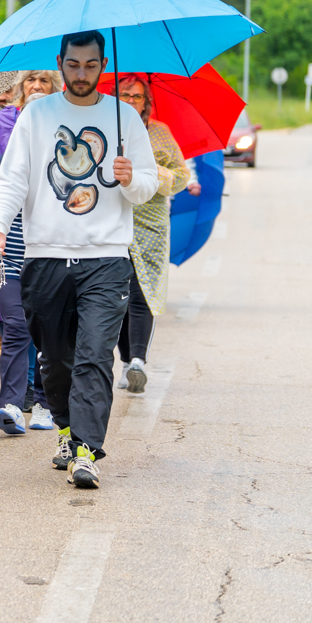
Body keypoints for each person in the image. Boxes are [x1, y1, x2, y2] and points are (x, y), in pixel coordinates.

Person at [0, 30, 159, 489]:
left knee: (94, 357)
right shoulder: (37, 114)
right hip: (45, 257)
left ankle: (86, 451)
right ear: (60, 62)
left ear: (104, 65)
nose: (82, 73)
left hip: (107, 258)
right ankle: (66, 430)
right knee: (56, 359)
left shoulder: (124, 118)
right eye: (74, 64)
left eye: (91, 65)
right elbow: (13, 177)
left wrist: (129, 178)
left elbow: (147, 186)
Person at [0, 71, 61, 434]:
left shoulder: (66, 160)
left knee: (47, 333)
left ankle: (43, 404)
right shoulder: (9, 158)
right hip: (10, 257)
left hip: (51, 258)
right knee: (15, 327)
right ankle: (10, 404)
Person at [114, 74, 188, 394]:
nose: (131, 101)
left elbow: (182, 177)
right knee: (117, 294)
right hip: (114, 219)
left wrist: (152, 171)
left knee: (142, 292)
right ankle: (124, 360)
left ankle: (137, 361)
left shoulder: (160, 133)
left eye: (137, 96)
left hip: (151, 224)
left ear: (147, 102)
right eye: (125, 95)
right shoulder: (106, 131)